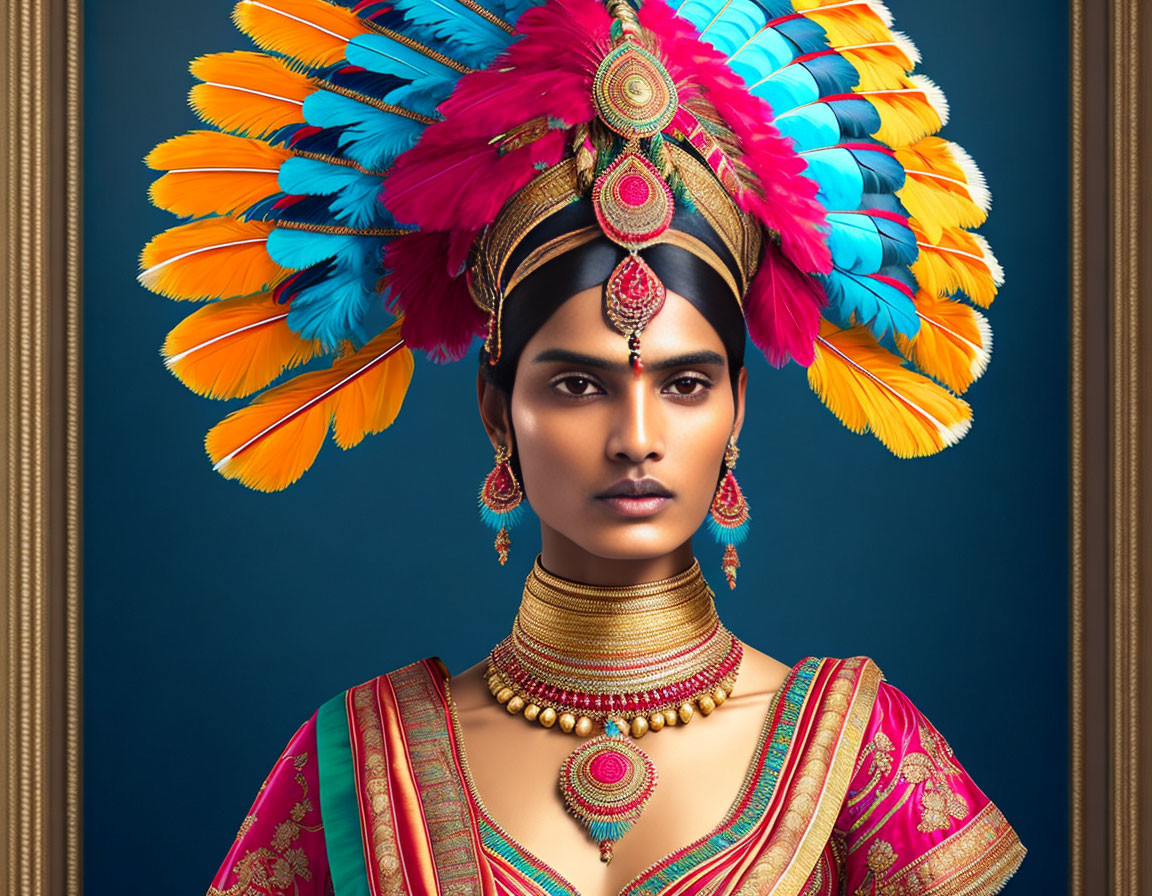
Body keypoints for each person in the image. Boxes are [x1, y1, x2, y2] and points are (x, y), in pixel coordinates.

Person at [138, 0, 1024, 893]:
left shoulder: (861, 754)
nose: (636, 440)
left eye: (684, 385)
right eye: (576, 386)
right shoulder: (365, 757)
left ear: (737, 409)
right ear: (497, 411)